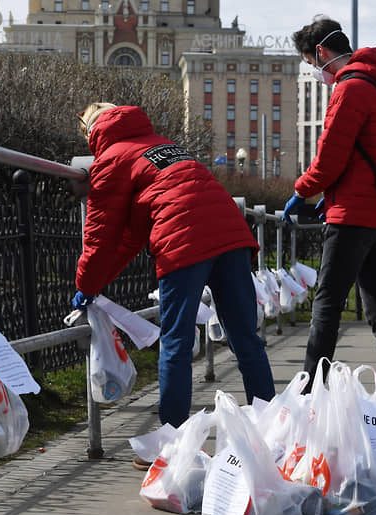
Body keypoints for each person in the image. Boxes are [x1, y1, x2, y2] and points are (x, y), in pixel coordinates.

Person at [71, 103, 276, 457]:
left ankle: (173, 443)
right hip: (232, 235)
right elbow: (130, 237)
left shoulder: (110, 161)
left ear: (92, 132)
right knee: (246, 338)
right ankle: (273, 430)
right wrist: (96, 281)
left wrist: (85, 286)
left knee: (176, 343)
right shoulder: (161, 144)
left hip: (184, 241)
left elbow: (100, 238)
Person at [282, 17, 376, 394]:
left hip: (350, 218)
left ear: (321, 53)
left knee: (326, 307)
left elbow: (329, 158)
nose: (315, 72)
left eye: (311, 63)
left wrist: (302, 189)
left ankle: (308, 397)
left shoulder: (350, 88)